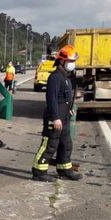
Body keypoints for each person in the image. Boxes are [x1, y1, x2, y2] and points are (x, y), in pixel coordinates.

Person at [32, 45, 82, 182]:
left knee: (66, 144)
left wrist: (69, 109)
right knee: (50, 145)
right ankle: (39, 172)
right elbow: (52, 99)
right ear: (62, 61)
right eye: (70, 62)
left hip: (64, 117)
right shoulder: (55, 77)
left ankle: (64, 169)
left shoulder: (65, 77)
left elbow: (66, 98)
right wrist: (55, 118)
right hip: (55, 118)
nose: (72, 64)